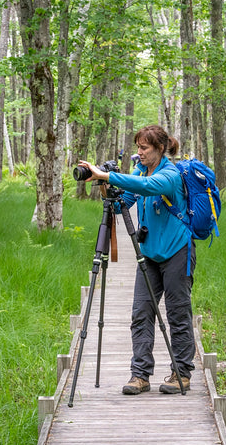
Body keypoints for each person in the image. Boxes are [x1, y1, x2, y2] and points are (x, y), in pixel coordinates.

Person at [78, 124, 196, 395]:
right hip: (149, 255)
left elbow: (148, 187)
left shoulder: (170, 175)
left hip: (178, 251)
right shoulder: (140, 170)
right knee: (141, 313)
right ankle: (140, 375)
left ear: (160, 148)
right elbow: (124, 203)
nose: (139, 153)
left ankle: (181, 373)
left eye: (144, 148)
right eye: (138, 147)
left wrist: (110, 174)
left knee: (178, 313)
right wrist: (107, 188)